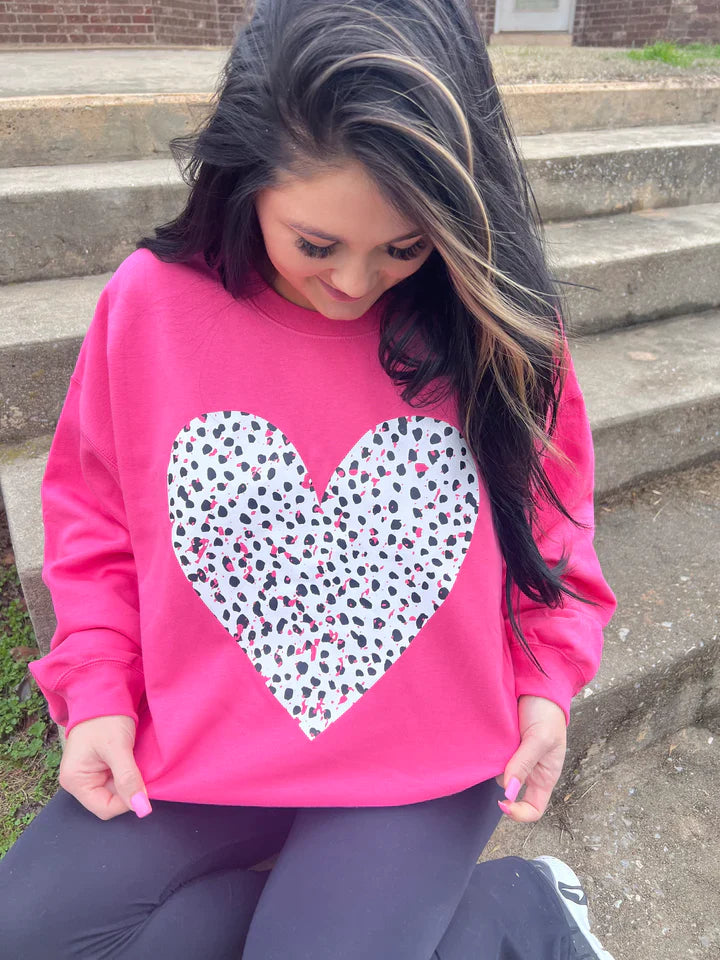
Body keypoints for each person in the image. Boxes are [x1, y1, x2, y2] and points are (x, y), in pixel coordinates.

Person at [0, 1, 618, 957]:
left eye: (405, 246)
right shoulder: (152, 305)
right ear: (244, 175)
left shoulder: (498, 315)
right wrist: (98, 692)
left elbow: (554, 526)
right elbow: (93, 517)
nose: (355, 284)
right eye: (316, 243)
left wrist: (546, 681)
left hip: (426, 748)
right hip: (204, 737)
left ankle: (522, 919)